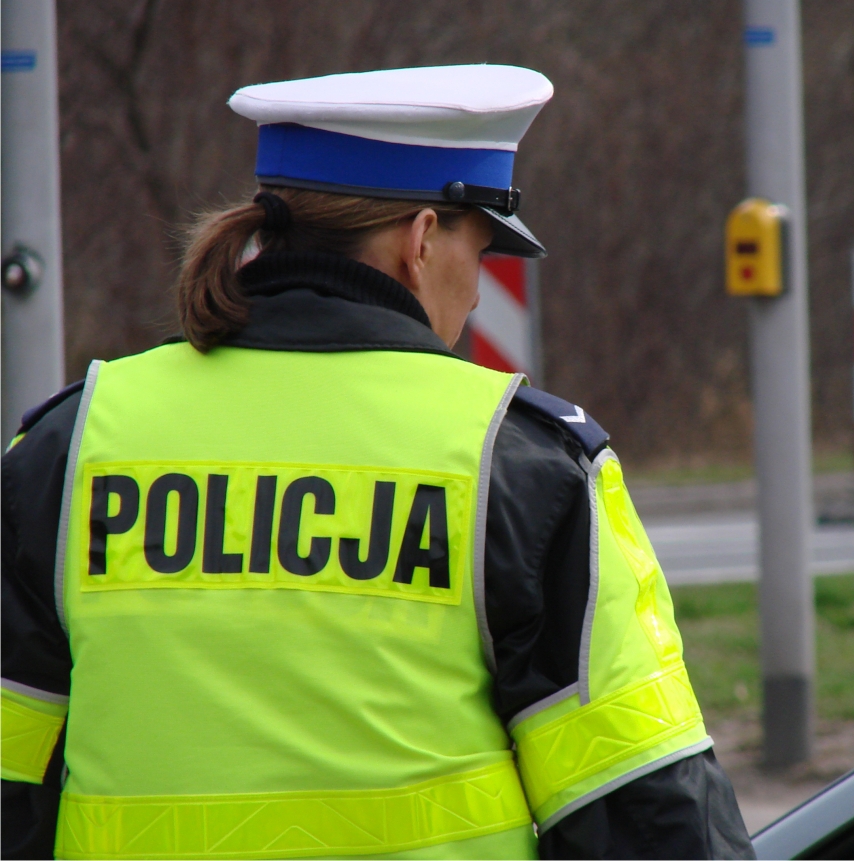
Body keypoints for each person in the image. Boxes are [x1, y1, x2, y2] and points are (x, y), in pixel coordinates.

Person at [2, 64, 753, 860]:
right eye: (482, 252)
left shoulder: (74, 442)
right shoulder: (518, 462)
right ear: (423, 239)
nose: (471, 297)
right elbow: (645, 817)